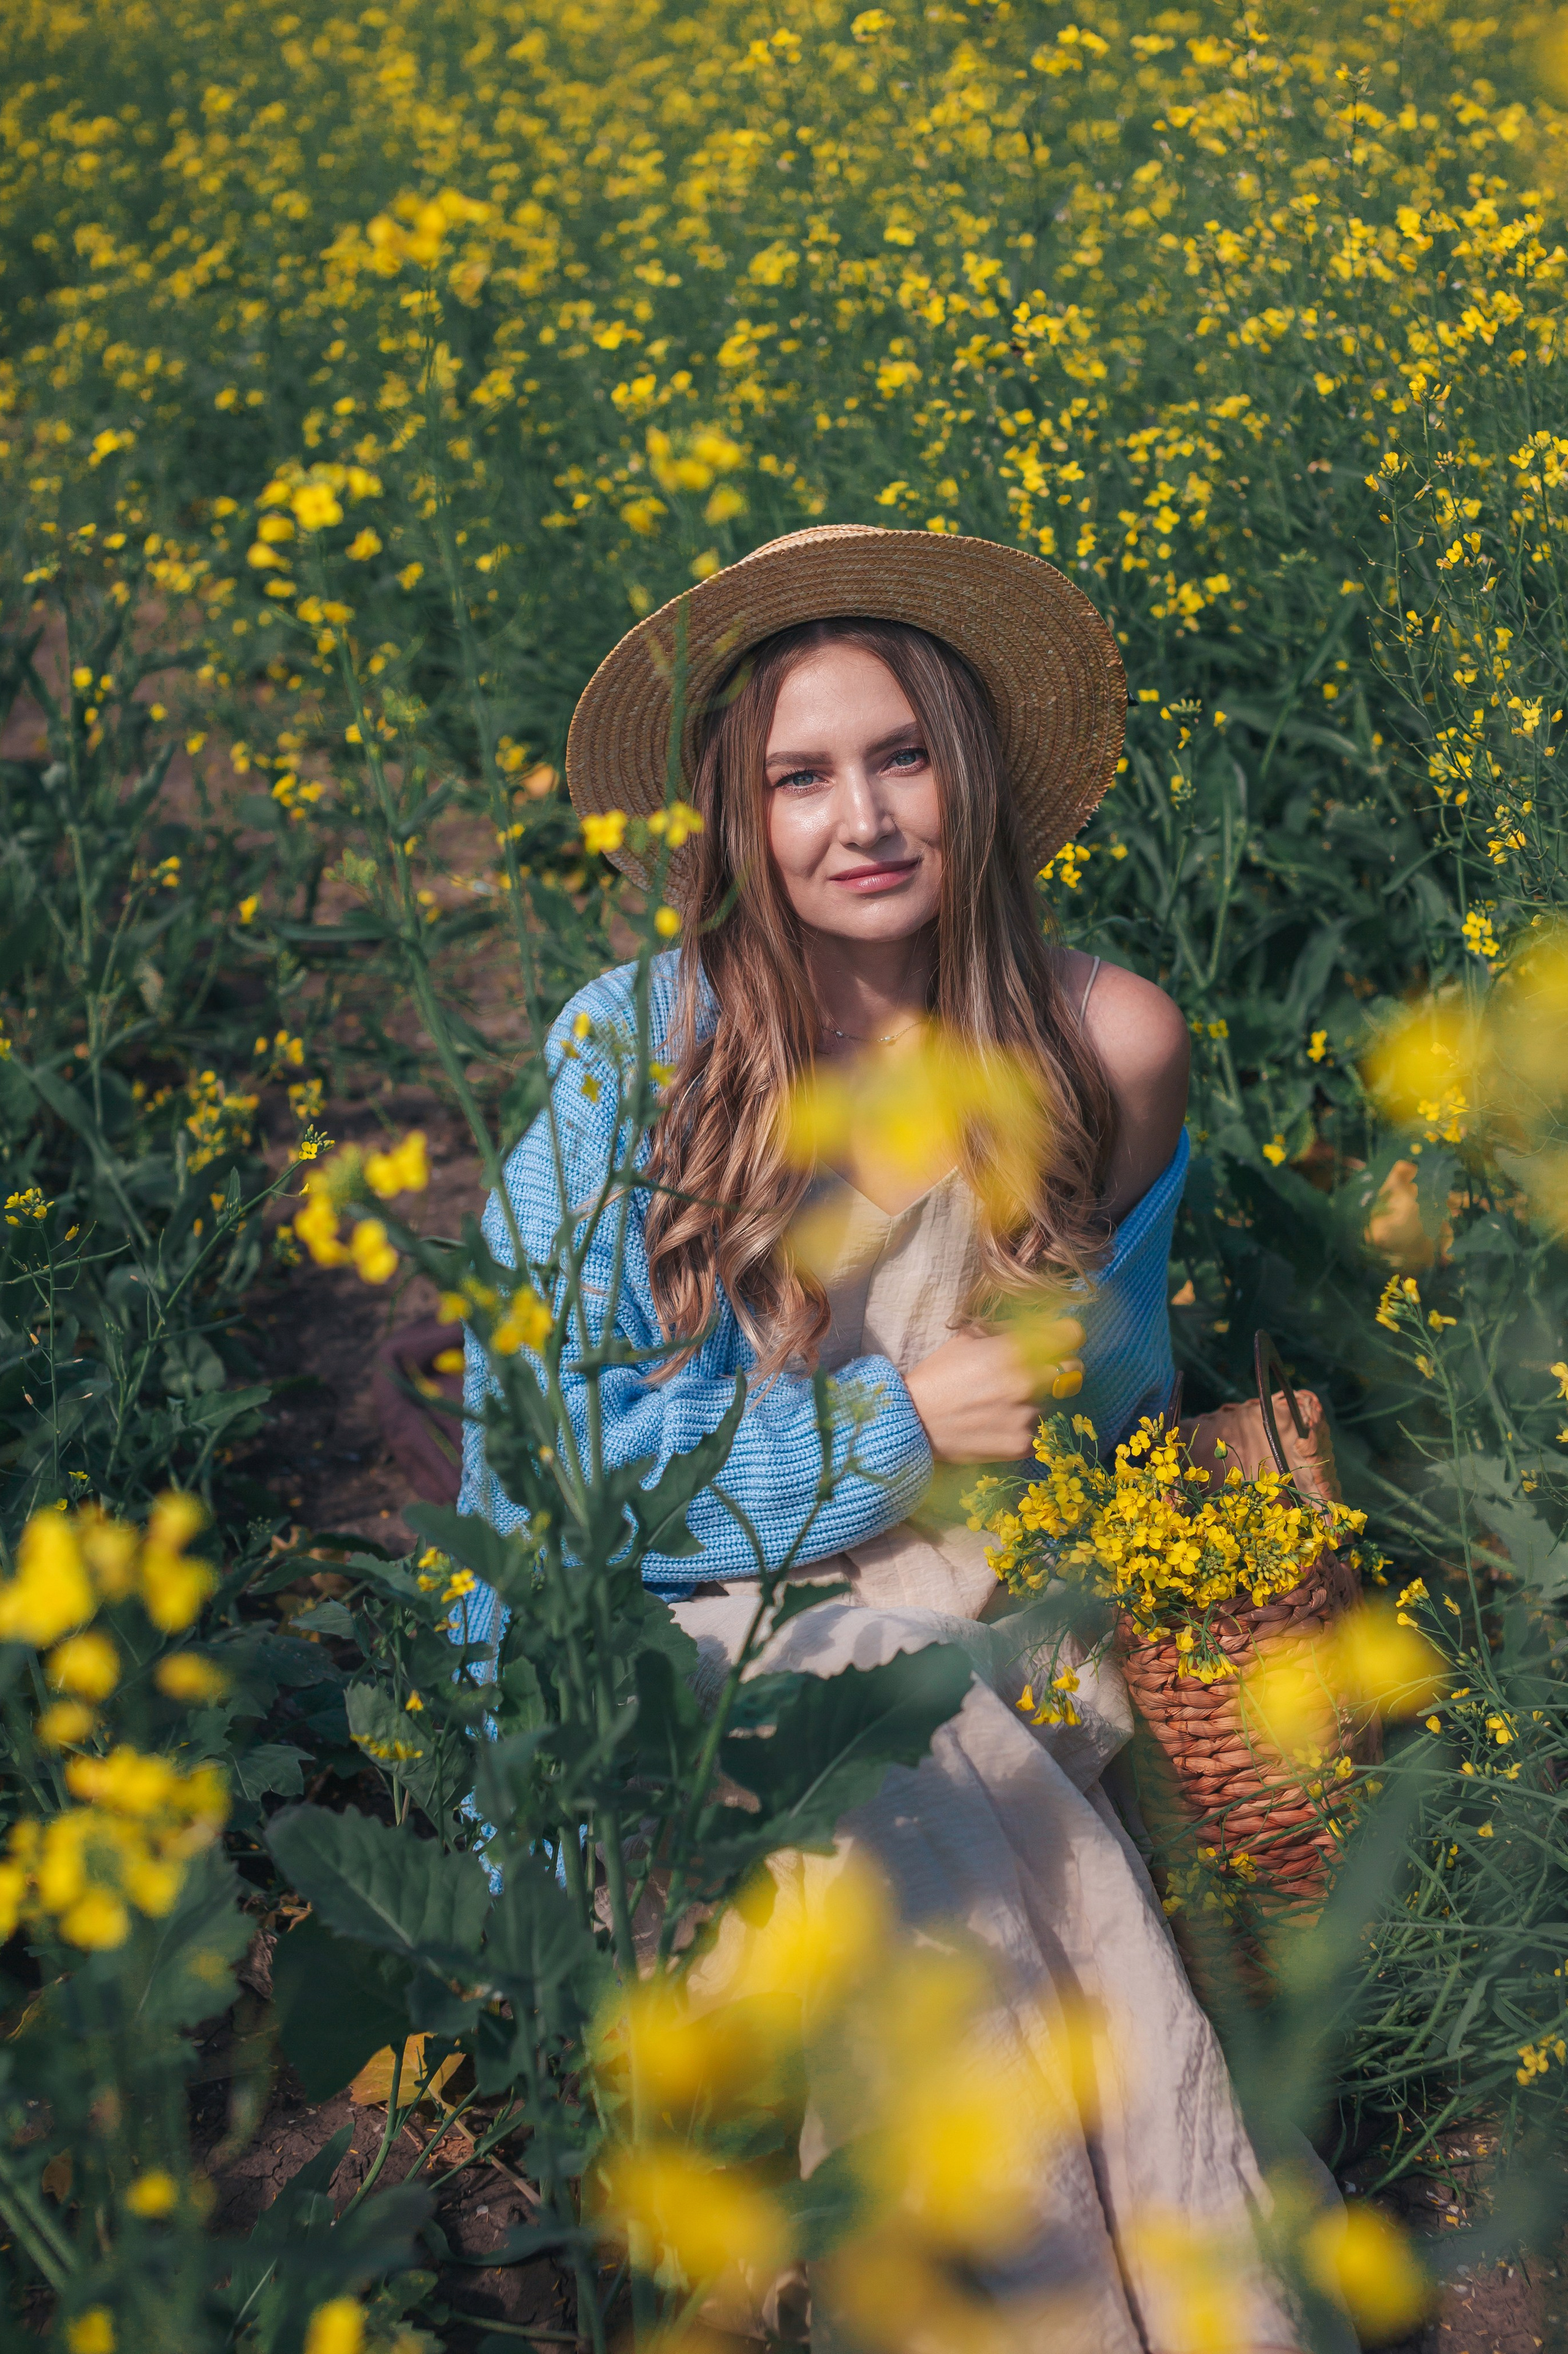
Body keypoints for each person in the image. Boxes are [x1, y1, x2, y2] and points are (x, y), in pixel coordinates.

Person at [459, 526, 1303, 2351]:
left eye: (903, 755)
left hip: (993, 1616)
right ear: (734, 820)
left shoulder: (1105, 1045)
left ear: (977, 774)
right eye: (801, 776)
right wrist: (883, 1429)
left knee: (943, 1757)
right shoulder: (640, 1056)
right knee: (895, 1785)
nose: (865, 818)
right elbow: (538, 1480)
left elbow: (1116, 1417)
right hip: (679, 1639)